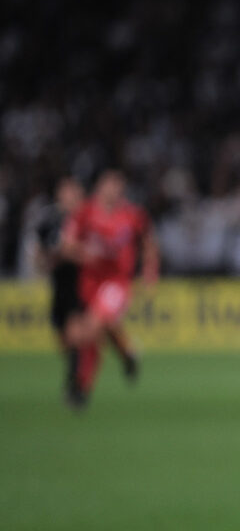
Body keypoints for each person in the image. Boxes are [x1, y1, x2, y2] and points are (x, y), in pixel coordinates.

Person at [65, 170, 157, 406]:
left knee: (91, 329)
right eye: (109, 184)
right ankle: (128, 353)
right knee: (97, 330)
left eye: (118, 186)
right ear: (99, 186)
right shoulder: (85, 212)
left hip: (117, 283)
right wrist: (84, 254)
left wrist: (149, 272)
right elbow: (67, 244)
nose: (113, 190)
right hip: (89, 283)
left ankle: (82, 387)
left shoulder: (132, 215)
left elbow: (149, 244)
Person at [31, 177, 88, 403]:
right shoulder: (49, 219)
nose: (70, 196)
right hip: (58, 283)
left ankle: (75, 387)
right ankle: (75, 373)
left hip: (79, 283)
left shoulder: (86, 218)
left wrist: (69, 253)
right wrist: (47, 260)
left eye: (74, 192)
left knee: (75, 334)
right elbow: (38, 252)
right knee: (63, 339)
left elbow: (88, 250)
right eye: (66, 192)